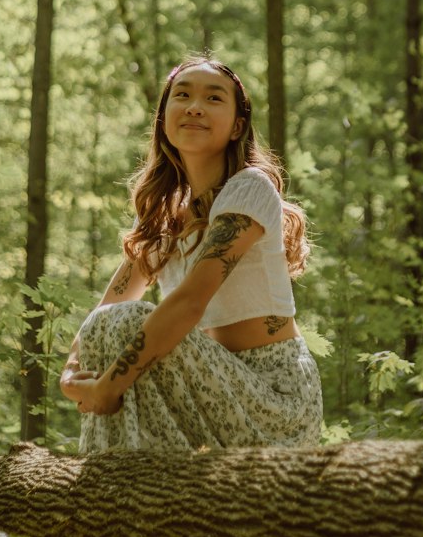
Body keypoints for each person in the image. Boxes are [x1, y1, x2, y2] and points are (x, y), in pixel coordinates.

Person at [59, 55, 323, 450]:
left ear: (237, 127)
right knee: (109, 320)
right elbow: (110, 303)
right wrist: (71, 372)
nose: (195, 105)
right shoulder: (166, 213)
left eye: (214, 98)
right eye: (182, 95)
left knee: (131, 321)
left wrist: (106, 389)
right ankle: (116, 488)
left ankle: (113, 483)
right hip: (207, 385)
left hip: (274, 398)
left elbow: (189, 303)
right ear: (164, 118)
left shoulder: (248, 188)